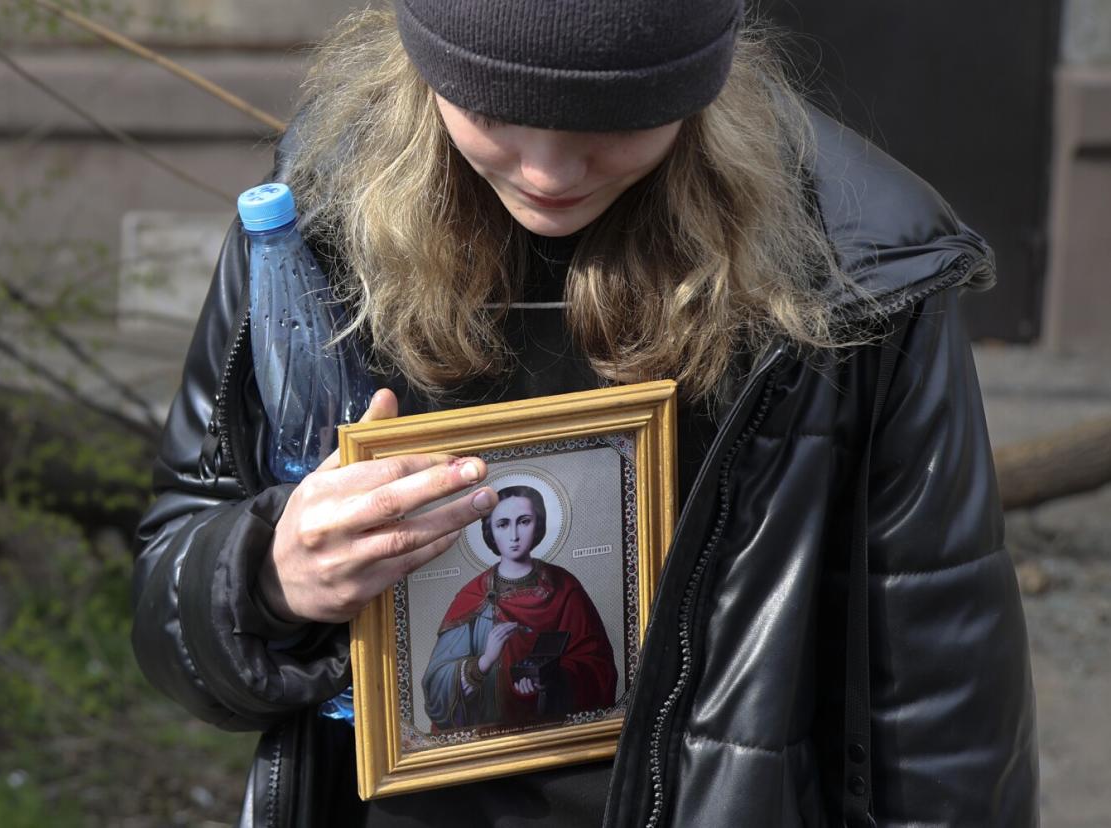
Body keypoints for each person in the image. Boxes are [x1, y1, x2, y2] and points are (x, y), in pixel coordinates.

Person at [131, 1, 1039, 825]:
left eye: (613, 121)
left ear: (700, 80)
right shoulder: (317, 221)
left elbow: (941, 691)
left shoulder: (862, 270)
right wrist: (269, 576)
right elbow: (172, 582)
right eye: (491, 114)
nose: (547, 173)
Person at [421, 485, 617, 731]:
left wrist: (550, 680)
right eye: (503, 524)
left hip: (554, 737)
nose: (514, 535)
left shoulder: (565, 588)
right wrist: (483, 662)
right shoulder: (473, 596)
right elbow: (435, 685)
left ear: (539, 525)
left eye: (524, 522)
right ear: (490, 531)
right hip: (489, 742)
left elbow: (598, 667)